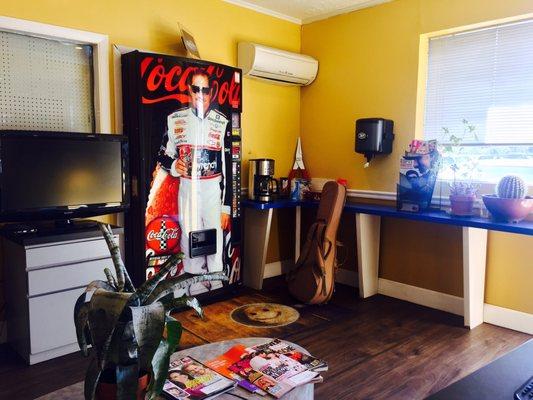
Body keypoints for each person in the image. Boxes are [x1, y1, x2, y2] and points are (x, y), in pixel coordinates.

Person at [157, 68, 230, 294]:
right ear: (189, 90)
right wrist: (174, 166)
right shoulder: (174, 120)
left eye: (205, 90)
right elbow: (162, 155)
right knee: (190, 236)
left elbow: (229, 168)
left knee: (214, 237)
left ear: (211, 93)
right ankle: (196, 283)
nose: (200, 94)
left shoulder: (222, 123)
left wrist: (226, 206)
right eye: (196, 89)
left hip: (212, 191)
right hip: (187, 190)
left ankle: (216, 281)